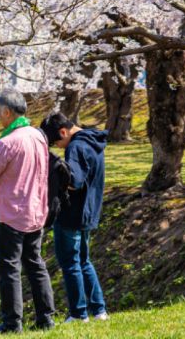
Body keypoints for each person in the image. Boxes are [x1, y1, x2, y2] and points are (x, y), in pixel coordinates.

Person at [0, 89, 55, 333]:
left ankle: (12, 322)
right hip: (36, 210)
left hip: (11, 213)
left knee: (9, 269)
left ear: (7, 112)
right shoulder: (38, 136)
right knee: (35, 264)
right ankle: (46, 317)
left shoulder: (8, 141)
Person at [39, 113, 109, 323]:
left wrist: (55, 168)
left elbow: (74, 182)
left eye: (56, 142)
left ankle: (79, 314)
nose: (58, 147)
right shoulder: (93, 140)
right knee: (84, 261)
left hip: (71, 213)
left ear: (63, 132)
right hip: (88, 212)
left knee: (70, 263)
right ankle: (99, 310)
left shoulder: (75, 147)